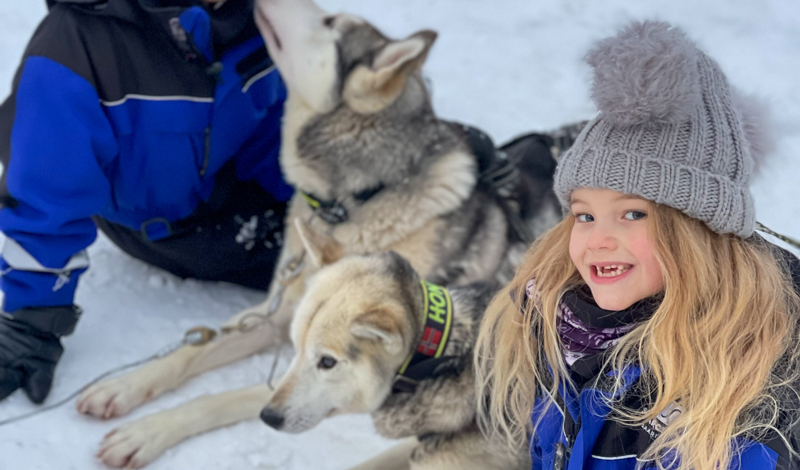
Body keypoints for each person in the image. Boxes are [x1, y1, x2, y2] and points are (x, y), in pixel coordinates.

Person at [475, 21, 800, 470]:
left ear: (699, 230)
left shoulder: (747, 388)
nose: (597, 240)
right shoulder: (560, 321)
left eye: (633, 214)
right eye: (584, 215)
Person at [0, 0, 292, 404]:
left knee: (356, 242)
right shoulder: (77, 41)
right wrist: (31, 321)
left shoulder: (254, 17)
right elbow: (45, 186)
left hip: (231, 193)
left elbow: (274, 129)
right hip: (164, 225)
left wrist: (318, 198)